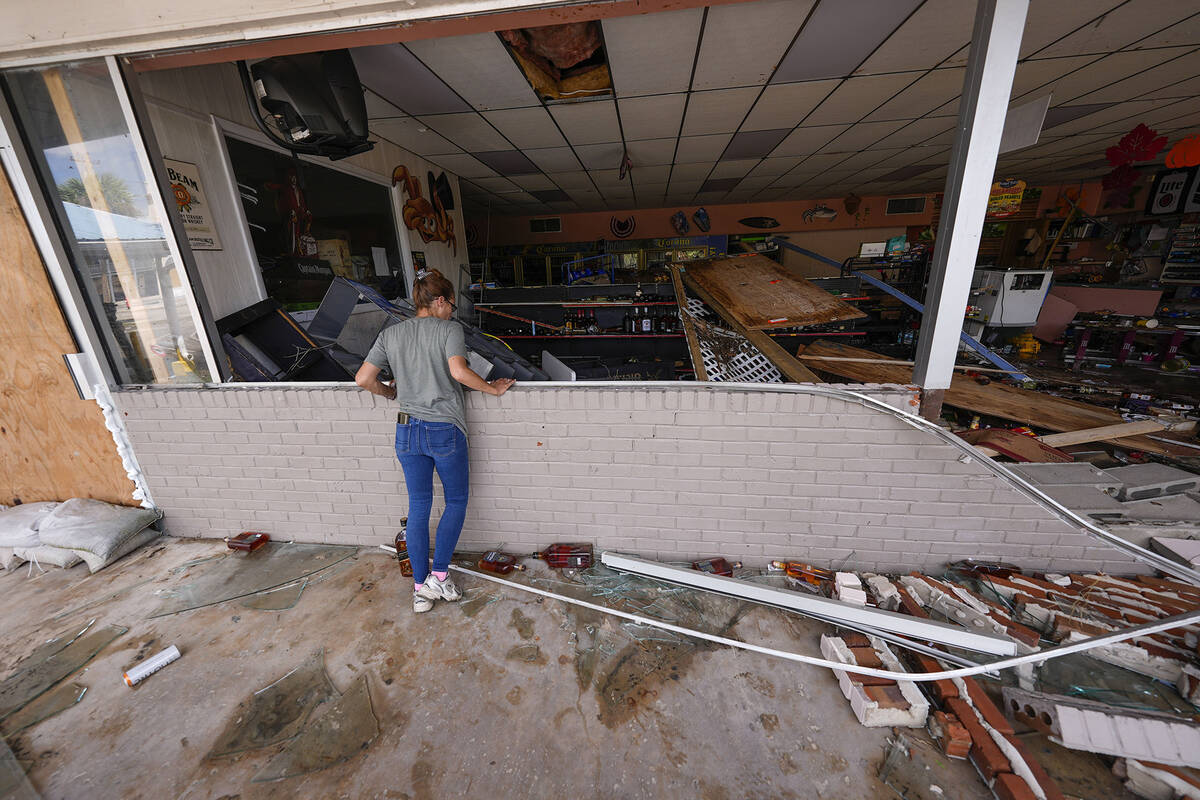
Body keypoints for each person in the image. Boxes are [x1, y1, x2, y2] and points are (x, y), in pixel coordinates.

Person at [355, 269, 514, 613]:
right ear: (440, 301)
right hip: (443, 428)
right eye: (451, 306)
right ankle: (439, 579)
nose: (451, 313)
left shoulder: (392, 334)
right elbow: (458, 372)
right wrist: (493, 388)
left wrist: (389, 392)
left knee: (418, 508)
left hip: (406, 429)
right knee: (456, 500)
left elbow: (363, 378)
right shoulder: (449, 330)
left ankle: (419, 590)